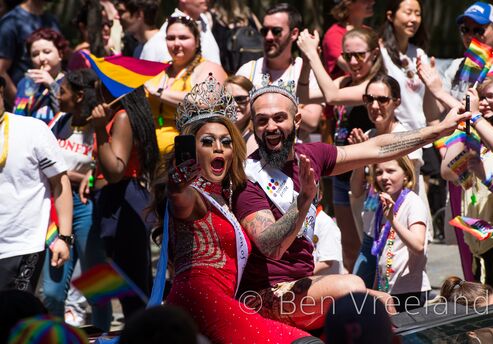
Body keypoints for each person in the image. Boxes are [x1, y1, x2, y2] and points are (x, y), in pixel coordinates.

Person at [233, 78, 470, 329]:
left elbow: (377, 148)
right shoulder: (248, 178)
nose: (271, 127)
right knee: (352, 286)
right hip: (265, 296)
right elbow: (272, 247)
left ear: (297, 121)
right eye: (262, 120)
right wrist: (304, 199)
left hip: (302, 286)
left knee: (385, 302)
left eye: (279, 118)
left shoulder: (310, 156)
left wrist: (438, 131)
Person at [151, 75, 321, 343]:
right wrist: (176, 186)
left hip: (223, 301)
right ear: (191, 149)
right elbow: (179, 200)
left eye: (226, 142)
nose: (219, 148)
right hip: (200, 298)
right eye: (207, 142)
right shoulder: (194, 196)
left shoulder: (226, 198)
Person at [298, 27, 385, 271]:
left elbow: (332, 96)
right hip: (342, 172)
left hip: (370, 174)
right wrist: (307, 60)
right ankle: (357, 299)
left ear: (375, 53)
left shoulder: (375, 84)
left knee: (372, 244)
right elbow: (303, 93)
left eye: (360, 55)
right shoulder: (345, 80)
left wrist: (313, 55)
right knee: (349, 245)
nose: (354, 62)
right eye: (348, 56)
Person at [42, 69, 111, 332]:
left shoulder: (99, 125)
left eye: (62, 91)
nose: (57, 96)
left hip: (87, 206)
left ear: (79, 95)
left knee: (97, 284)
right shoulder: (59, 121)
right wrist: (70, 175)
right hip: (56, 204)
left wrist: (83, 175)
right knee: (52, 292)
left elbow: (103, 167)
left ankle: (104, 335)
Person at [82, 85, 160, 321]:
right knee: (115, 277)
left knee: (131, 282)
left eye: (101, 82)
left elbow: (116, 169)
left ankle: (141, 333)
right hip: (114, 200)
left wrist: (99, 129)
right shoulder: (115, 115)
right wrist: (92, 173)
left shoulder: (122, 117)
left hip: (124, 201)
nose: (96, 88)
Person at [441, 72, 493, 300]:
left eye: (491, 96)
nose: (483, 103)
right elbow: (447, 170)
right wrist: (467, 121)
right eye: (480, 97)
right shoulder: (476, 131)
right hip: (480, 251)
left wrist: (486, 176)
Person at [349, 74, 425, 288]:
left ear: (396, 102)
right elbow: (356, 191)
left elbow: (411, 188)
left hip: (398, 233)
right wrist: (358, 155)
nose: (374, 105)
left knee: (396, 298)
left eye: (382, 100)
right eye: (369, 99)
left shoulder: (406, 138)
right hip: (371, 232)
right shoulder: (367, 135)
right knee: (360, 293)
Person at [0, 75, 73, 295]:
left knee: (15, 316)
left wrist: (64, 237)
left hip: (24, 243)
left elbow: (60, 182)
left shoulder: (32, 130)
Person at [236, 3, 323, 143]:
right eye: (265, 31)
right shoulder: (248, 70)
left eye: (276, 31)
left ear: (294, 34)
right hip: (252, 156)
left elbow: (312, 121)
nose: (269, 37)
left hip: (295, 157)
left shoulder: (306, 69)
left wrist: (265, 101)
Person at [145, 15, 226, 155]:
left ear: (197, 41)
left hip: (187, 157)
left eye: (183, 38)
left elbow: (206, 102)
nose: (176, 43)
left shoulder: (209, 68)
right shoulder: (159, 70)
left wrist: (159, 93)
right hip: (151, 157)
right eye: (171, 38)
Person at [418, 1, 493, 117]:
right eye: (465, 30)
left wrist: (439, 92)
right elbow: (433, 117)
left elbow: (483, 119)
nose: (470, 36)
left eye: (478, 30)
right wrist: (430, 86)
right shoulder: (456, 65)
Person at [370, 156, 431, 312]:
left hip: (409, 291)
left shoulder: (413, 203)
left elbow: (418, 245)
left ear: (406, 175)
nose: (384, 177)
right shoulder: (382, 206)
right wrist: (375, 289)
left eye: (390, 171)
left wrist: (393, 220)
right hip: (387, 291)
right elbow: (381, 250)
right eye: (379, 172)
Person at [380, 0, 429, 131]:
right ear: (390, 16)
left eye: (418, 14)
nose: (414, 19)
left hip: (423, 133)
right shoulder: (380, 53)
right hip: (396, 134)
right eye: (408, 13)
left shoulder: (419, 53)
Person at [0, 0, 60, 104]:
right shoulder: (11, 22)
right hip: (24, 102)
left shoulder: (51, 20)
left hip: (52, 100)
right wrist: (20, 104)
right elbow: (1, 69)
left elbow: (62, 51)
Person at [12, 28, 67, 124]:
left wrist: (52, 85)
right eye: (35, 54)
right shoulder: (25, 83)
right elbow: (17, 117)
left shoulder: (68, 83)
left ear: (60, 54)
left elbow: (65, 119)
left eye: (47, 52)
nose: (41, 58)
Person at [322, 0, 375, 79]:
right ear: (349, 3)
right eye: (365, 0)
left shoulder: (369, 31)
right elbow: (349, 66)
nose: (372, 2)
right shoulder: (334, 34)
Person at [210, 0, 262, 74]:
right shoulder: (249, 15)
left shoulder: (213, 16)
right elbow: (262, 35)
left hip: (227, 72)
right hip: (254, 71)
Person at [67, 0, 114, 71]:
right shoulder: (81, 57)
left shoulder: (112, 53)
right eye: (101, 24)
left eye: (109, 23)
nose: (106, 29)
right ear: (83, 27)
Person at [224, 75, 258, 155]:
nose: (234, 105)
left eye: (240, 99)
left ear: (252, 99)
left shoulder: (255, 139)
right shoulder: (219, 132)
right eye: (228, 100)